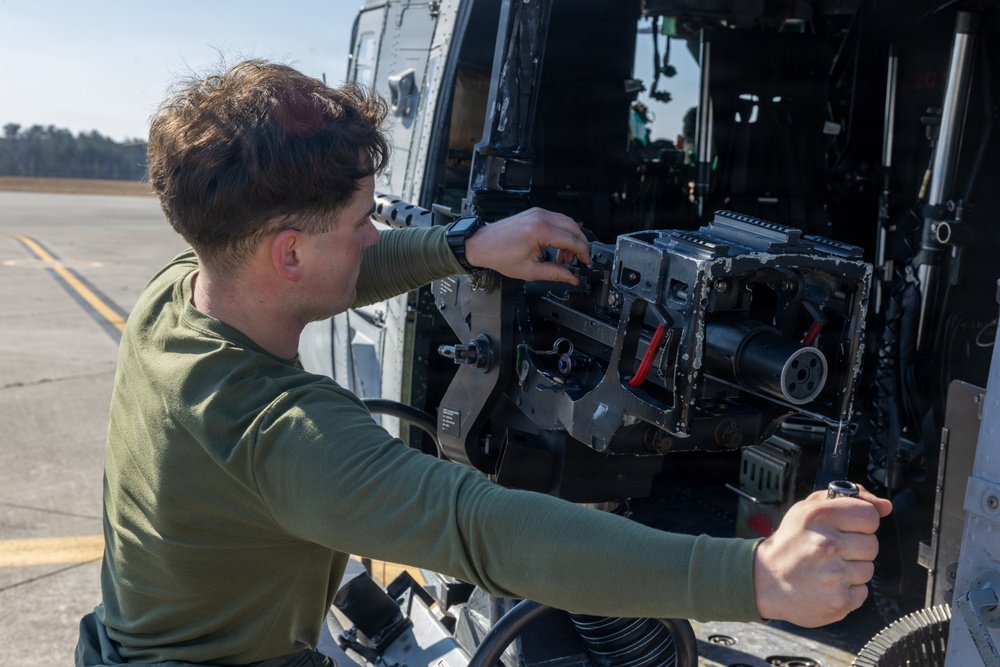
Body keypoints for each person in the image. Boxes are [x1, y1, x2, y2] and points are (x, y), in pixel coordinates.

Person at [76, 60, 891, 667]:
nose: (375, 234)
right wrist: (754, 575)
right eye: (363, 219)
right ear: (288, 253)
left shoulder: (178, 295)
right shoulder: (281, 433)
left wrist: (467, 246)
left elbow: (349, 266)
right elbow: (488, 530)